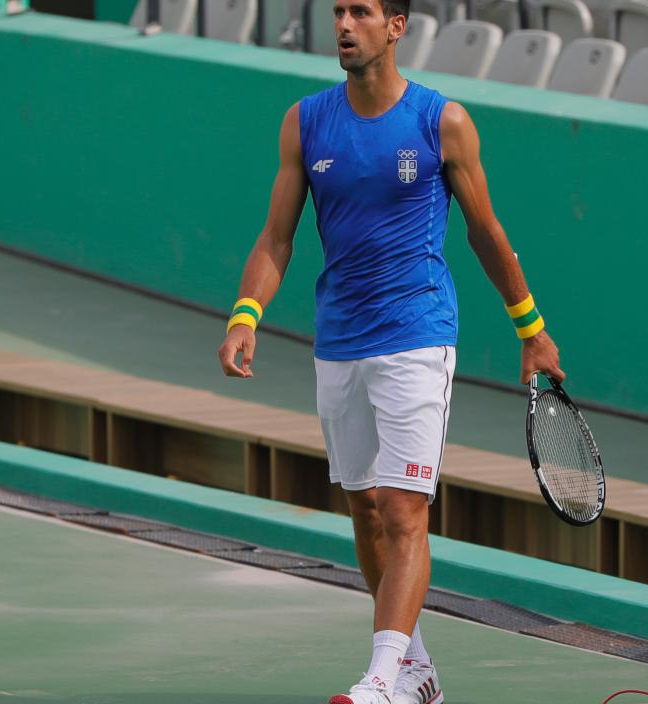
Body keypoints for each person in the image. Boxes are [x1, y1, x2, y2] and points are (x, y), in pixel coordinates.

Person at [216, 2, 564, 702]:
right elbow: (277, 237)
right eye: (338, 12)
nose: (344, 25)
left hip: (417, 336)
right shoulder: (305, 121)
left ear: (396, 26)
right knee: (367, 510)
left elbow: (486, 233)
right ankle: (416, 669)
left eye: (362, 12)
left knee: (404, 512)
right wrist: (245, 316)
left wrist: (531, 328)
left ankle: (379, 682)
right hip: (338, 340)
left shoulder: (442, 122)